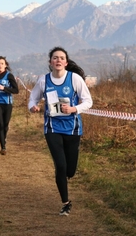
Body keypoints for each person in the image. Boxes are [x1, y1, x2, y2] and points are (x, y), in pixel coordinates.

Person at [28, 46, 93, 216]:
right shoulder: (44, 80)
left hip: (72, 128)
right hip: (52, 128)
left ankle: (64, 174)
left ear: (66, 62)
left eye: (61, 58)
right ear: (50, 62)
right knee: (61, 166)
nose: (58, 60)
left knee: (70, 170)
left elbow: (88, 101)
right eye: (55, 58)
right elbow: (33, 98)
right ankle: (66, 202)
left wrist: (73, 109)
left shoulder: (75, 79)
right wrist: (33, 107)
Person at [0, 56, 19, 155]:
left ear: (5, 65)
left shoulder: (9, 76)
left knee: (5, 125)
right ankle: (3, 147)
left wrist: (4, 88)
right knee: (0, 125)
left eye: (2, 63)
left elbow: (16, 90)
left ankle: (4, 138)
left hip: (7, 103)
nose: (0, 65)